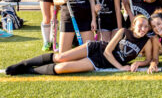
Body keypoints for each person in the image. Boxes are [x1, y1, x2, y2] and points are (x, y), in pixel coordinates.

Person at [5, 15, 152, 75]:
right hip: (97, 48)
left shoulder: (146, 42)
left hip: (99, 62)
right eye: (140, 25)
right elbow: (108, 50)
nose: (143, 29)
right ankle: (23, 64)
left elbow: (149, 60)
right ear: (133, 24)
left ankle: (29, 71)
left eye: (146, 27)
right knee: (60, 57)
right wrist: (120, 67)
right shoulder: (123, 31)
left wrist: (140, 62)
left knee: (62, 68)